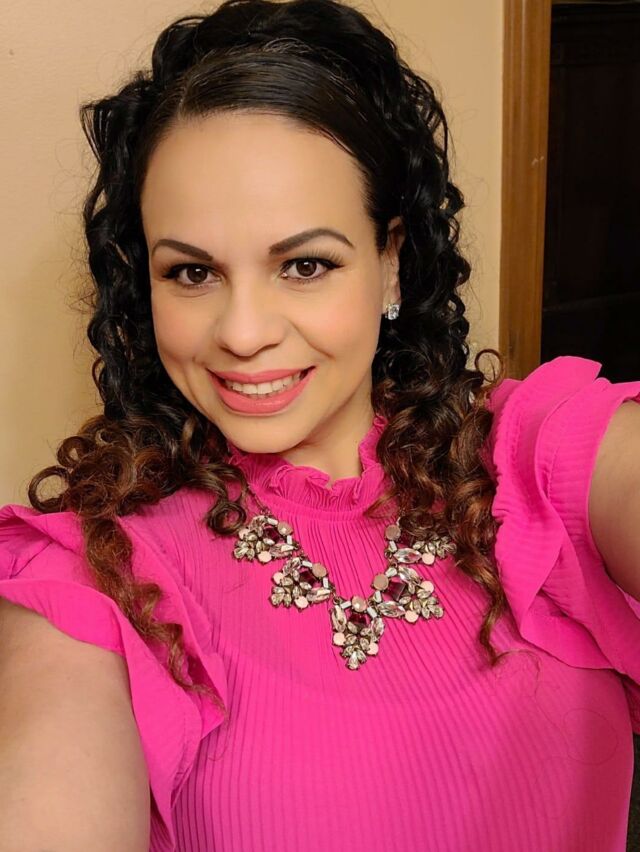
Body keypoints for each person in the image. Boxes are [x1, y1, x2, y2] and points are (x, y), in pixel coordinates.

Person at [0, 0, 639, 849]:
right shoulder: (93, 578)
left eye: (304, 264)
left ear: (390, 261)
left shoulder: (539, 456)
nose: (242, 333)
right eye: (191, 272)